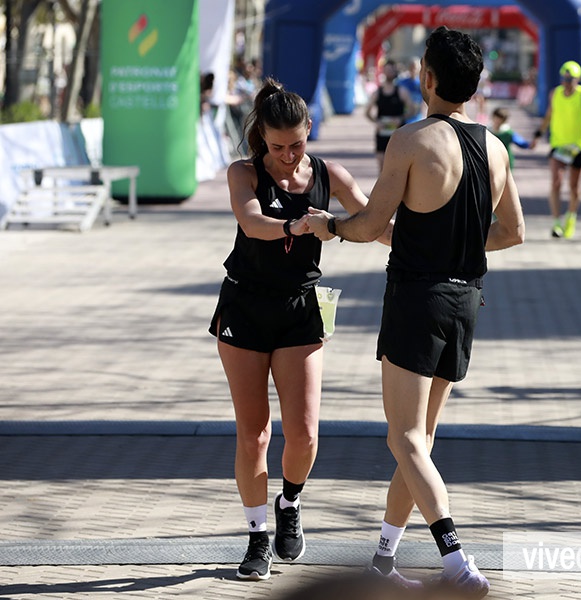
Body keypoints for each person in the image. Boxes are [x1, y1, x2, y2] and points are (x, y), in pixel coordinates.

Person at [301, 26, 525, 598]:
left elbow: (370, 225)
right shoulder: (496, 148)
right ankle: (383, 558)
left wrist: (330, 226)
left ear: (427, 77)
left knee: (403, 440)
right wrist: (450, 244)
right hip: (465, 300)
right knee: (419, 440)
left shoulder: (411, 140)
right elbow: (512, 232)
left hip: (418, 297)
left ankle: (456, 560)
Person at [209, 78, 390, 581]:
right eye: (278, 147)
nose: (288, 157)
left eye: (297, 145)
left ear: (310, 129)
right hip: (245, 307)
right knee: (254, 434)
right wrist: (300, 225)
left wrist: (433, 247)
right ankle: (256, 537)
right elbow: (252, 223)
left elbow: (373, 223)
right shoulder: (244, 172)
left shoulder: (330, 174)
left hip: (300, 309)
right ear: (262, 140)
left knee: (305, 434)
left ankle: (289, 501)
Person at [531, 60, 581, 239]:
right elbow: (549, 115)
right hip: (559, 145)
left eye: (571, 79)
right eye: (564, 78)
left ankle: (571, 217)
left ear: (578, 79)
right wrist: (538, 134)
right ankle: (556, 222)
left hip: (579, 147)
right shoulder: (555, 93)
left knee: (574, 186)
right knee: (556, 182)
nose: (567, 82)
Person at [366, 59, 414, 173]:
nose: (389, 73)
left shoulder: (402, 91)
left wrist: (400, 119)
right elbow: (367, 112)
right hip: (382, 133)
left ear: (395, 72)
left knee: (398, 167)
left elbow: (412, 110)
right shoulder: (378, 93)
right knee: (382, 166)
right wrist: (376, 122)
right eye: (387, 70)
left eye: (391, 70)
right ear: (383, 72)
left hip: (398, 134)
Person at [397, 57, 425, 124]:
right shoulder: (402, 82)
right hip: (403, 114)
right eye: (411, 67)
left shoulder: (422, 84)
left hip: (417, 116)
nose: (413, 70)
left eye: (415, 68)